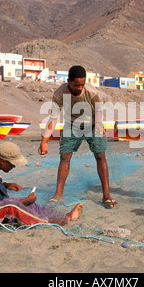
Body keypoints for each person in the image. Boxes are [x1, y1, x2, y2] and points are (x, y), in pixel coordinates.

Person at [38, 65, 118, 209]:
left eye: (82, 84)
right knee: (65, 157)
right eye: (76, 85)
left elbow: (99, 109)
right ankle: (58, 195)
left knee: (100, 156)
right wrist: (44, 141)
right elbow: (53, 118)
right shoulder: (59, 93)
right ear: (68, 81)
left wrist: (99, 124)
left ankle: (106, 196)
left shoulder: (91, 92)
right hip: (72, 124)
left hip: (93, 123)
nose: (80, 88)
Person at [0, 142, 83, 229]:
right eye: (12, 164)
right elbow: (5, 203)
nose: (14, 167)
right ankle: (48, 221)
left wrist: (4, 185)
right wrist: (26, 200)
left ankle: (64, 215)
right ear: (3, 162)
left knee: (27, 203)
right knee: (15, 205)